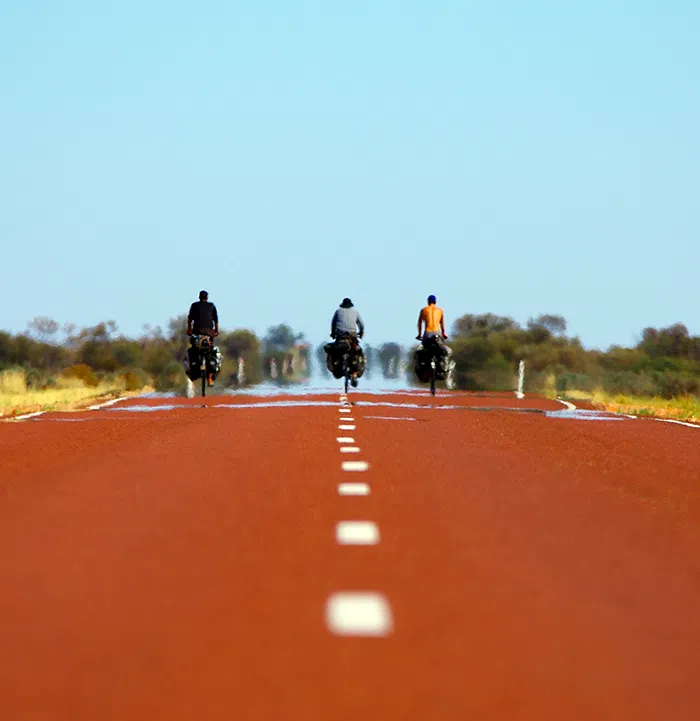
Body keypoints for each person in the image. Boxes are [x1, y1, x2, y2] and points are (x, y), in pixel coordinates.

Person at [185, 290, 222, 391]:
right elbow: (216, 320)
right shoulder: (211, 306)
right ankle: (210, 377)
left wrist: (189, 330)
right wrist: (216, 331)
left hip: (196, 333)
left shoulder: (194, 305)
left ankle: (193, 374)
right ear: (207, 298)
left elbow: (189, 320)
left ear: (199, 297)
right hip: (209, 334)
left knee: (192, 352)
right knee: (212, 352)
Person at [325, 297, 366, 386]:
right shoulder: (355, 312)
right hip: (352, 337)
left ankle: (338, 368)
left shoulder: (338, 311)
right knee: (359, 352)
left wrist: (333, 333)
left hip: (340, 337)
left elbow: (333, 323)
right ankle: (355, 373)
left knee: (333, 352)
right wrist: (361, 333)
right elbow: (361, 324)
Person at [415, 294, 452, 378]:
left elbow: (419, 323)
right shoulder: (440, 310)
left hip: (427, 334)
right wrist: (443, 333)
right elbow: (442, 323)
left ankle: (423, 369)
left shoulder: (423, 310)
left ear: (428, 302)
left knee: (421, 350)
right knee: (444, 351)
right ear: (435, 302)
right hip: (437, 334)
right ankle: (444, 369)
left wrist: (419, 334)